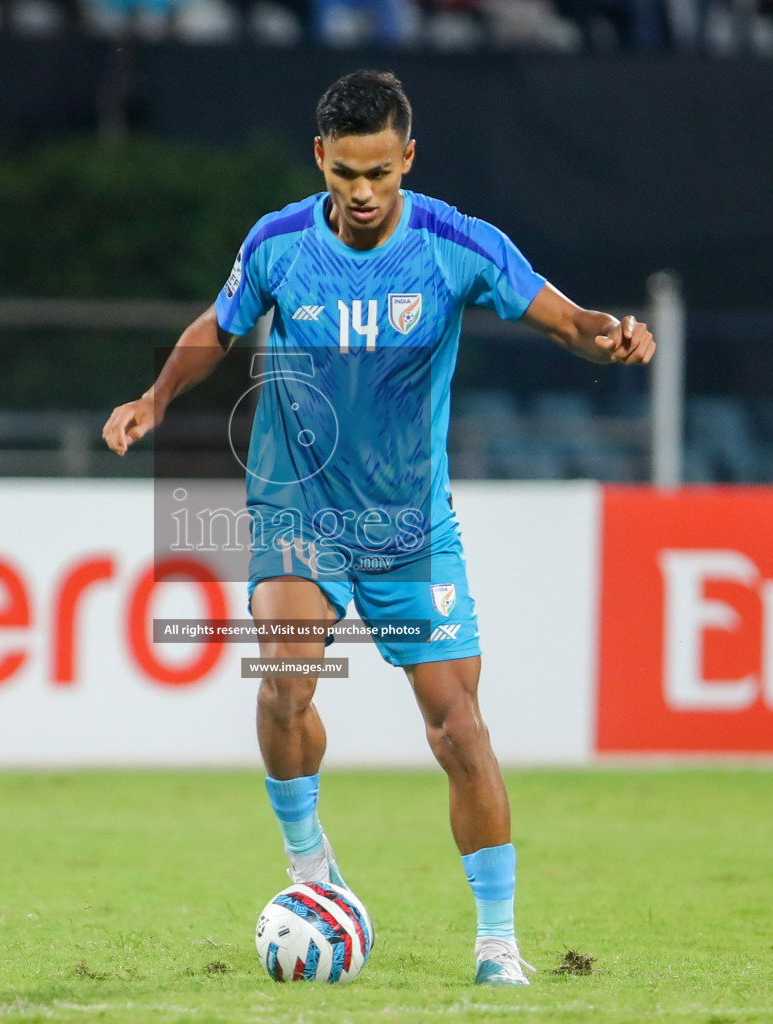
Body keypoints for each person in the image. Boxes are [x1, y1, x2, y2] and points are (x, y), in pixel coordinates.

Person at [102, 70, 653, 986]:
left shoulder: (455, 244)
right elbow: (218, 323)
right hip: (298, 508)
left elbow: (565, 319)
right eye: (346, 174)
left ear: (407, 158)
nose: (362, 193)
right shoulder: (279, 242)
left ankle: (497, 945)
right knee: (284, 684)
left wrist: (611, 332)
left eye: (379, 174)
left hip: (409, 527)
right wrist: (156, 398)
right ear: (321, 158)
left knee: (459, 733)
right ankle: (312, 866)